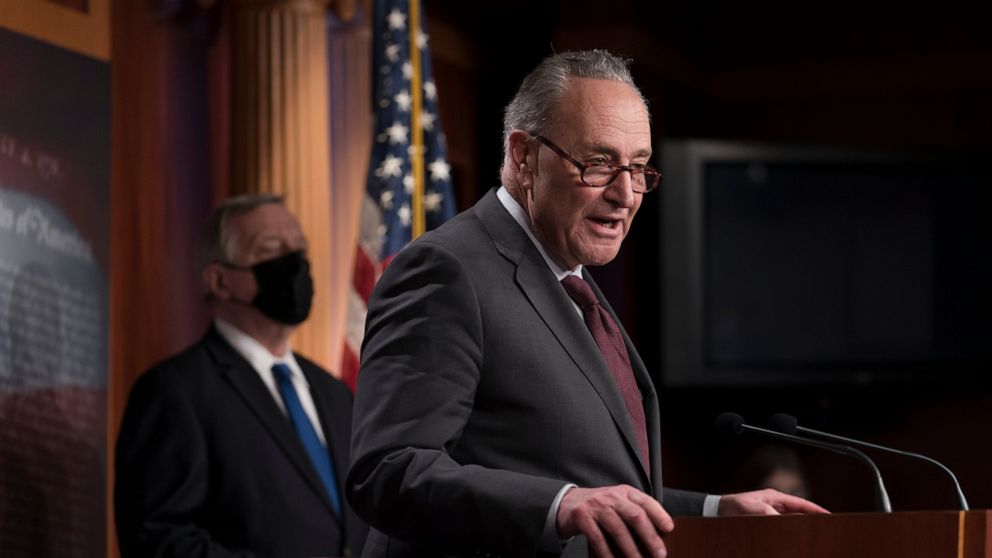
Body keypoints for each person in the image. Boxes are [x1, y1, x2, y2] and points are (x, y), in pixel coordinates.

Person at [347, 50, 827, 558]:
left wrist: (712, 510)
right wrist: (558, 506)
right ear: (523, 157)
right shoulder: (448, 271)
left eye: (638, 168)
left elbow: (597, 489)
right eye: (598, 164)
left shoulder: (570, 278)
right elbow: (389, 470)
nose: (626, 194)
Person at [115, 194, 367, 557]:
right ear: (219, 281)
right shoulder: (175, 391)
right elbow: (157, 536)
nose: (296, 264)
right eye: (271, 250)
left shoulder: (337, 396)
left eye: (300, 250)